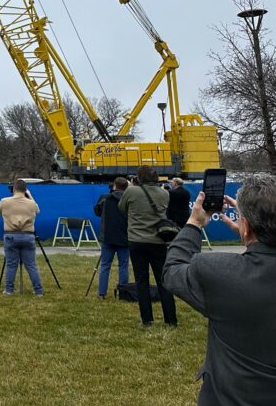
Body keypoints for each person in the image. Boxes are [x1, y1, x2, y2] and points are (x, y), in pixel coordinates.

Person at [163, 179, 276, 404]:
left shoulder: (218, 272)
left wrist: (194, 223)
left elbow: (173, 270)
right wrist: (251, 238)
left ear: (245, 225)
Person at [118, 165, 177, 327]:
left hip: (137, 240)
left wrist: (132, 186)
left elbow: (121, 207)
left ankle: (147, 319)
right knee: (162, 280)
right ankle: (171, 319)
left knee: (141, 281)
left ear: (139, 178)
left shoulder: (132, 191)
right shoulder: (165, 193)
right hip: (158, 241)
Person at [0, 179, 43, 296]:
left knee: (11, 264)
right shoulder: (31, 204)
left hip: (10, 235)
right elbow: (38, 210)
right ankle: (38, 290)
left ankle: (9, 289)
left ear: (14, 189)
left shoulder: (4, 201)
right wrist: (30, 196)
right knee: (31, 265)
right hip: (27, 236)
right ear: (25, 190)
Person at [93, 177, 131, 298]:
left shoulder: (105, 198)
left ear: (114, 186)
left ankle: (102, 293)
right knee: (123, 265)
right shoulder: (129, 199)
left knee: (105, 265)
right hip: (124, 236)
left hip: (108, 236)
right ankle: (123, 292)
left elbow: (97, 211)